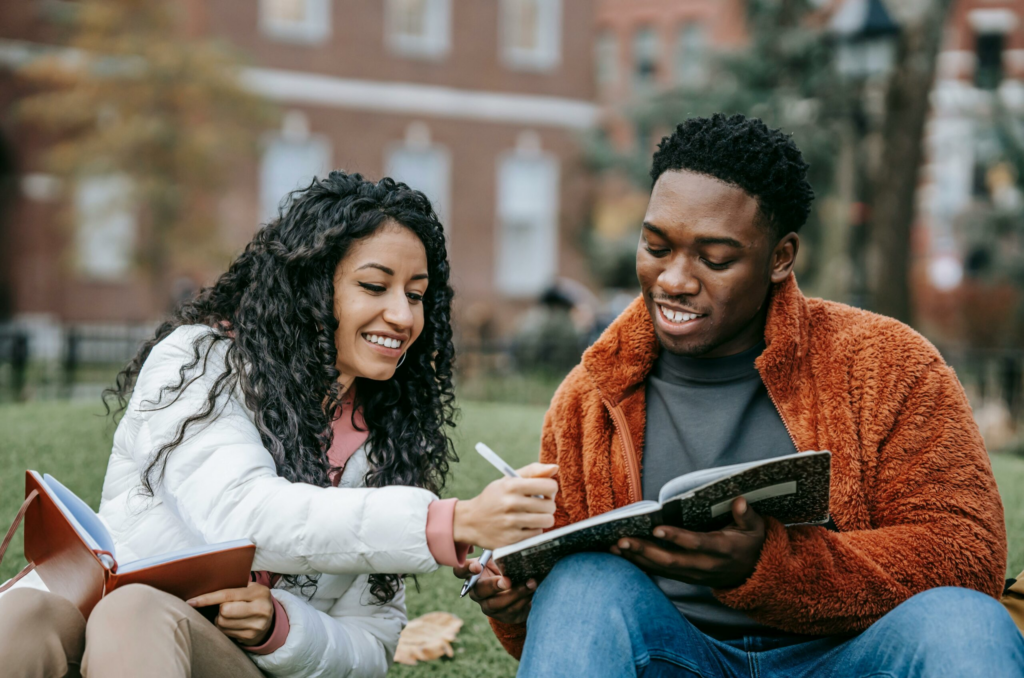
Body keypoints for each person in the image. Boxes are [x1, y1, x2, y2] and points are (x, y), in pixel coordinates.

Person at [456, 114, 1024, 676]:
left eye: (715, 258)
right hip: (677, 657)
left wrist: (775, 567)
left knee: (967, 623)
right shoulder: (590, 395)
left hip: (848, 657)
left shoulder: (889, 364)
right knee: (580, 583)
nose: (674, 279)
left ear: (780, 258)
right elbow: (573, 632)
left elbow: (965, 554)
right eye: (656, 247)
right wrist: (515, 598)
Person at [0, 172, 558, 678]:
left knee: (136, 610)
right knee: (25, 615)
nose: (404, 315)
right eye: (374, 286)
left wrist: (279, 628)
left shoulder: (387, 438)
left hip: (218, 658)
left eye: (415, 294)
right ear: (311, 286)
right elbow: (242, 513)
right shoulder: (200, 364)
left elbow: (371, 644)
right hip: (98, 623)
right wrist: (450, 522)